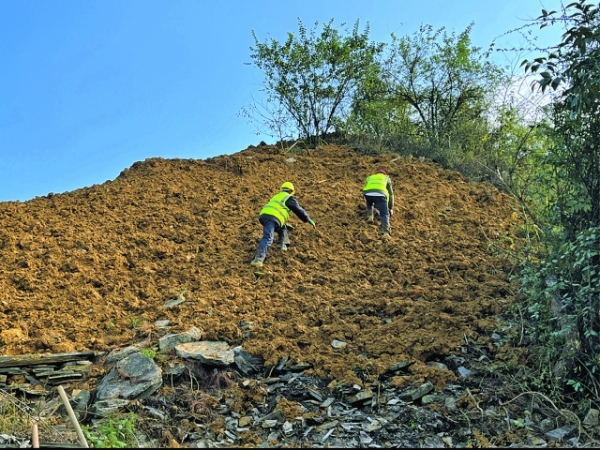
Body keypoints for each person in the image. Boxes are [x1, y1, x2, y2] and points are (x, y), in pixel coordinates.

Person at [251, 182, 316, 268]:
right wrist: (307, 219)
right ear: (292, 191)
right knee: (268, 238)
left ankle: (284, 245)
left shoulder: (277, 196)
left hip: (265, 215)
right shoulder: (289, 198)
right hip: (272, 217)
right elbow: (298, 210)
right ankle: (258, 260)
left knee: (282, 227)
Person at [362, 169, 394, 236]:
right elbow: (391, 194)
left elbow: (369, 187)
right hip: (380, 194)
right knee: (384, 214)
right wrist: (390, 207)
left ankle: (370, 216)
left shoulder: (370, 177)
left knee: (370, 202)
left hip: (367, 193)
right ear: (384, 174)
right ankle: (385, 231)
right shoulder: (386, 178)